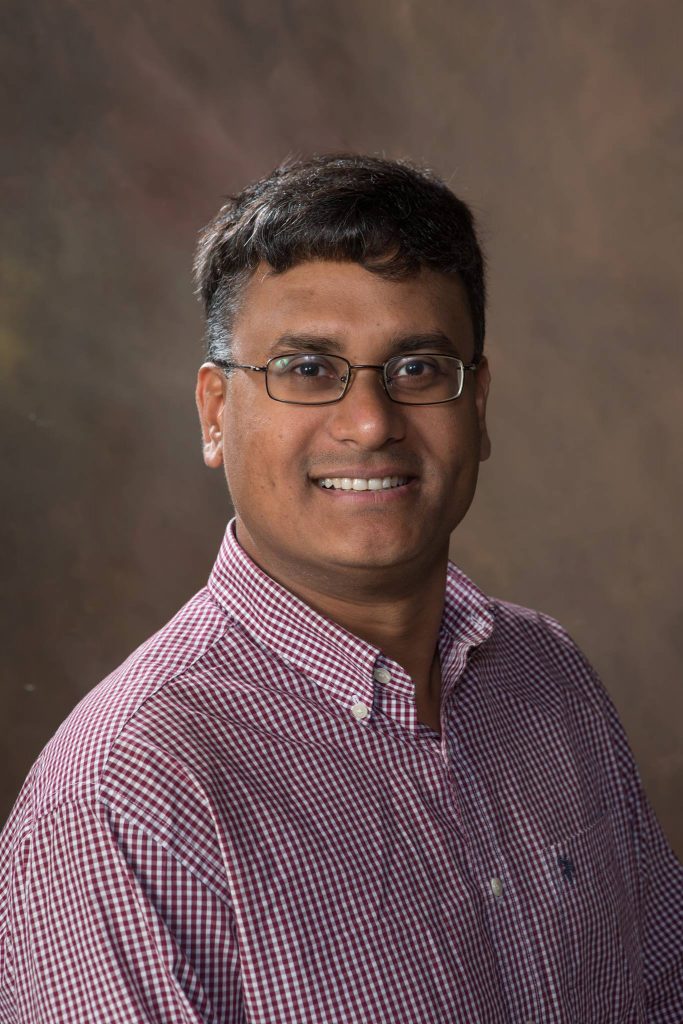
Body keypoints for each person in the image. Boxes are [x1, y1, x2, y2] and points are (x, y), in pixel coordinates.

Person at [0, 154, 681, 1024]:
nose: (369, 423)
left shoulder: (546, 676)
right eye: (306, 369)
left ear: (477, 407)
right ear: (215, 414)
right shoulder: (127, 797)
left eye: (418, 368)